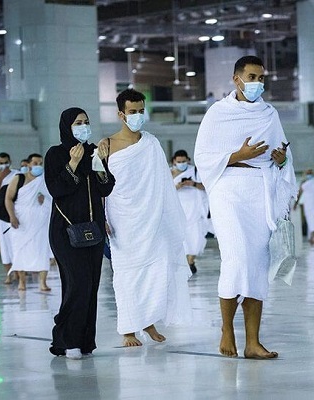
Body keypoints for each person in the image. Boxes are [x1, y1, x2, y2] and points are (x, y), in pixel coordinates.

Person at [195, 55, 297, 359]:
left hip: (260, 190)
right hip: (228, 189)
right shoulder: (218, 113)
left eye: (261, 78)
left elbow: (283, 152)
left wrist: (281, 160)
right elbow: (204, 157)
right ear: (236, 79)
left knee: (256, 266)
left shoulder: (269, 113)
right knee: (237, 260)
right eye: (251, 77)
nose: (257, 83)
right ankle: (227, 329)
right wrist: (238, 154)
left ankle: (253, 342)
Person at [102, 89, 192, 347]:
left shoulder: (151, 143)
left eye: (142, 111)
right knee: (127, 273)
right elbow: (99, 185)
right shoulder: (106, 145)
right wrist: (100, 218)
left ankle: (149, 320)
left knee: (156, 269)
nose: (139, 115)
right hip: (122, 219)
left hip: (152, 218)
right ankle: (128, 329)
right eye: (133, 112)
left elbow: (162, 184)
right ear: (121, 114)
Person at [45, 107, 115, 360]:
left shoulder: (94, 152)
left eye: (86, 122)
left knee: (91, 285)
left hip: (93, 231)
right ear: (66, 126)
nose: (83, 126)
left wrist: (100, 165)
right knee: (78, 284)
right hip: (65, 231)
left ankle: (84, 341)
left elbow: (106, 189)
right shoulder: (55, 154)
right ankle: (67, 340)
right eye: (78, 122)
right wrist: (72, 164)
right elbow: (56, 189)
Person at [5, 153, 52, 291]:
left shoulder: (44, 180)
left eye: (40, 163)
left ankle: (43, 283)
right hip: (21, 220)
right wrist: (12, 216)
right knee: (20, 250)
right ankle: (22, 282)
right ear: (29, 164)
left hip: (40, 221)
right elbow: (8, 198)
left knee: (42, 250)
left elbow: (52, 197)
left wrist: (45, 200)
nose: (38, 166)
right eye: (35, 163)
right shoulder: (19, 178)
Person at [171, 149, 208, 274]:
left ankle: (190, 261)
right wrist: (177, 186)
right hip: (178, 211)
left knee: (195, 238)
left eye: (184, 161)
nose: (182, 163)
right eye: (179, 161)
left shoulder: (196, 172)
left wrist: (193, 184)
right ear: (174, 161)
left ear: (188, 160)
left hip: (195, 210)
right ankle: (184, 263)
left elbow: (206, 186)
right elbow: (164, 192)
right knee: (182, 239)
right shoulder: (168, 174)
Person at [0, 152, 19, 284]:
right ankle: (9, 273)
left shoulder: (17, 175)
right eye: (1, 163)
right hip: (1, 214)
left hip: (14, 211)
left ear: (10, 161)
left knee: (15, 243)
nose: (4, 165)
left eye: (6, 162)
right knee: (4, 245)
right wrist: (0, 178)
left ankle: (19, 271)